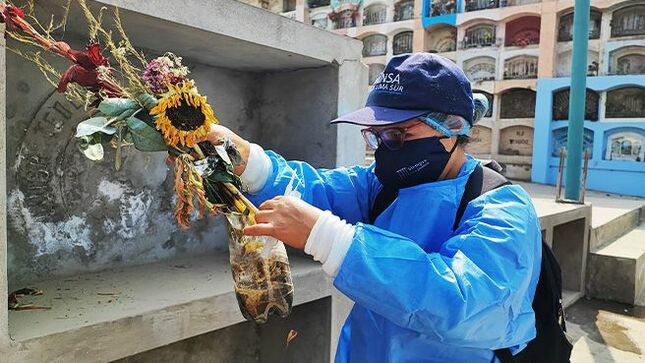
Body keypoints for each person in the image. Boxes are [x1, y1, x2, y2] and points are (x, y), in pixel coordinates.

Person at [199, 53, 542, 362]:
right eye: (376, 136)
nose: (384, 149)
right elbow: (318, 189)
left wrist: (328, 237)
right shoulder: (382, 186)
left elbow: (462, 302)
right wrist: (246, 160)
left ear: (451, 129)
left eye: (397, 134)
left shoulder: (501, 206)